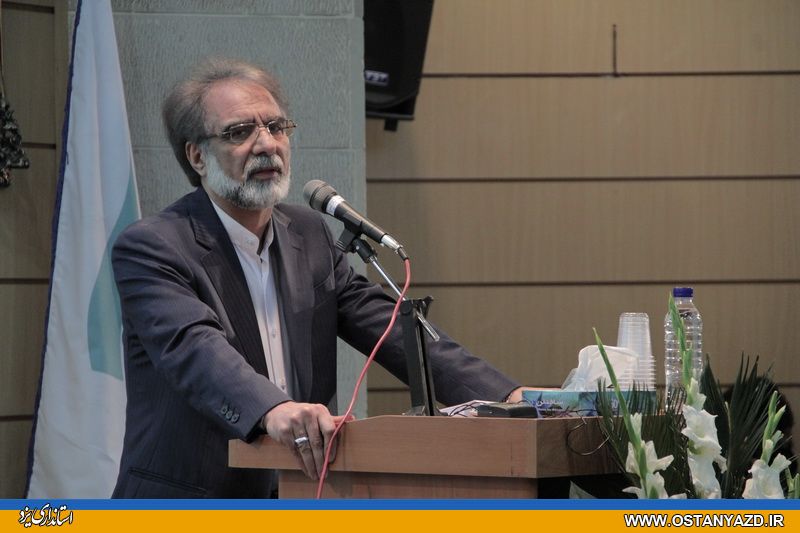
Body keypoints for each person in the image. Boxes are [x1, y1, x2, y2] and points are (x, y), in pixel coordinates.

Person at [111, 57, 524, 498]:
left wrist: (507, 397)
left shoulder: (308, 233)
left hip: (299, 493)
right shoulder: (153, 246)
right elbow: (195, 350)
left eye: (276, 127)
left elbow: (387, 327)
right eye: (239, 132)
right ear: (197, 156)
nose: (266, 144)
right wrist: (272, 409)